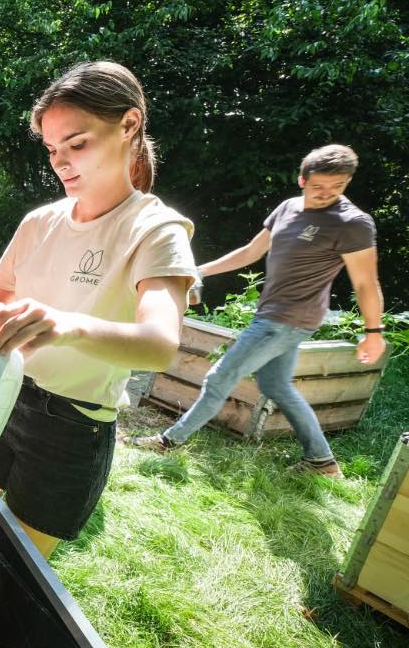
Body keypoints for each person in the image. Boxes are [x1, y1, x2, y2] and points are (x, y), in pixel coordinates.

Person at [0, 61, 198, 559]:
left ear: (129, 125)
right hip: (4, 397)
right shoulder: (39, 222)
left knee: (17, 569)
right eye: (53, 149)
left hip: (72, 424)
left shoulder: (156, 230)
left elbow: (161, 344)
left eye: (78, 144)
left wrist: (66, 325)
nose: (62, 161)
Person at [127, 145, 385, 477]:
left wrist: (372, 332)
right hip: (273, 315)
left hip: (287, 320)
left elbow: (365, 282)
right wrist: (200, 270)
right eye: (319, 187)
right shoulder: (289, 208)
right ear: (302, 180)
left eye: (337, 188)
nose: (327, 195)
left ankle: (169, 441)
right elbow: (251, 252)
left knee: (219, 377)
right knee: (276, 386)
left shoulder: (351, 223)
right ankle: (322, 461)